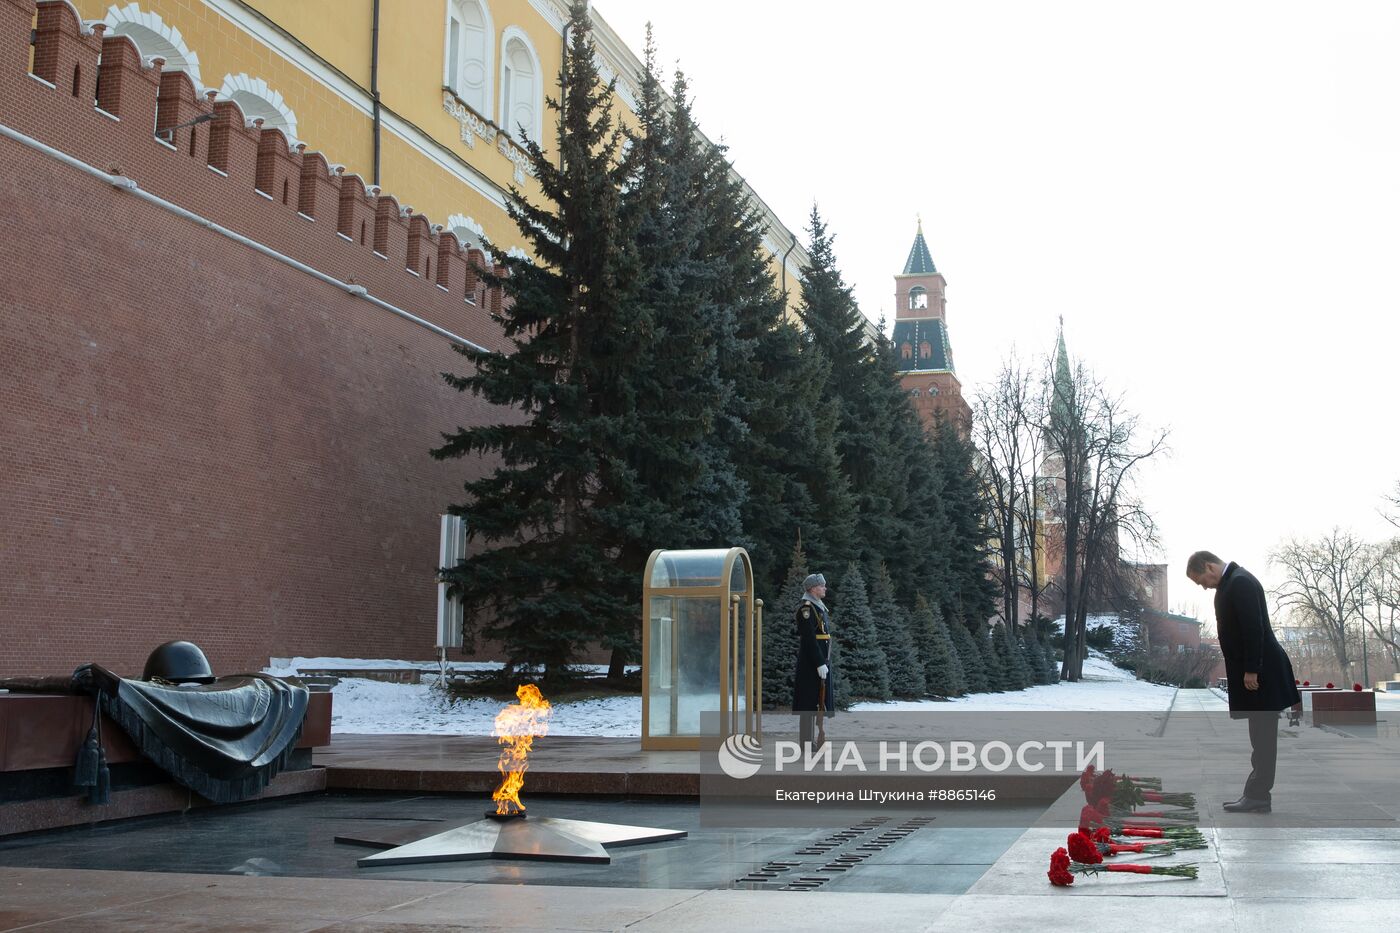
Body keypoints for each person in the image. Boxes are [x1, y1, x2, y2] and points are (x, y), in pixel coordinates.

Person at [1186, 550, 1302, 813]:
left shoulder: (1239, 582)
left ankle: (1258, 795)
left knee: (1263, 738)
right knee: (1259, 736)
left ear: (1209, 566)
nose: (1203, 586)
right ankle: (1257, 795)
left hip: (1261, 673)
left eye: (1201, 580)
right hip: (1259, 671)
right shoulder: (1234, 581)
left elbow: (1253, 628)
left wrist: (1251, 670)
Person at [792, 572, 834, 748]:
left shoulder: (818, 607)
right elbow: (809, 638)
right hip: (811, 663)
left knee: (817, 701)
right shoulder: (807, 609)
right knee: (807, 704)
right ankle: (806, 743)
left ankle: (812, 741)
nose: (825, 588)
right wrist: (818, 662)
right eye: (822, 585)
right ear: (813, 588)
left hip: (820, 661)